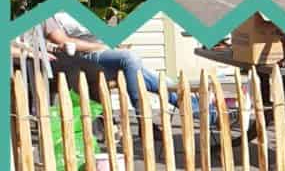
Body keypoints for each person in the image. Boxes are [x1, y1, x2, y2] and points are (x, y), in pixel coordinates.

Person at [42, 13, 214, 123]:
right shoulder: (53, 15)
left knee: (152, 78)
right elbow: (63, 41)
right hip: (87, 57)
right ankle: (143, 117)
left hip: (107, 55)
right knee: (130, 58)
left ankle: (206, 113)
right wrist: (100, 48)